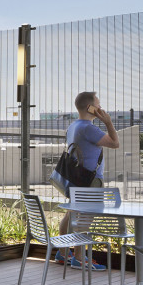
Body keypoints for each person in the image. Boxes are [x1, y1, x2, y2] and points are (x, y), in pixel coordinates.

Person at [55, 91, 120, 269]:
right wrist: (108, 122)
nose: (100, 108)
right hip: (90, 181)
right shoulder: (88, 128)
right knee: (85, 219)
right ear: (90, 108)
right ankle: (79, 258)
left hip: (76, 179)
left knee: (71, 213)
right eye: (98, 105)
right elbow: (115, 143)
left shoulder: (73, 126)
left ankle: (63, 253)